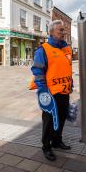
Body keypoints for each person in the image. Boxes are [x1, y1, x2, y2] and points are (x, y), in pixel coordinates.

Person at [29, 20, 72, 161]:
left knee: (61, 117)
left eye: (64, 30)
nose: (63, 33)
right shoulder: (43, 50)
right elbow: (38, 71)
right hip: (50, 93)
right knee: (48, 121)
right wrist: (43, 92)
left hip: (64, 91)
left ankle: (57, 141)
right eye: (60, 30)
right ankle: (46, 146)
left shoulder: (66, 49)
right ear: (52, 32)